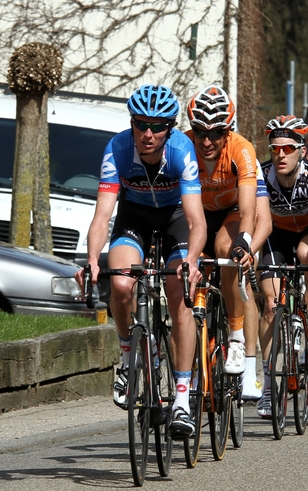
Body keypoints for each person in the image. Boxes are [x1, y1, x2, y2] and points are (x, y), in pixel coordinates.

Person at [74, 84, 206, 437]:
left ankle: (181, 398)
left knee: (178, 290)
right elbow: (102, 217)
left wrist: (191, 260)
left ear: (170, 128)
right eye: (140, 124)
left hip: (175, 217)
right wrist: (91, 261)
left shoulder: (182, 150)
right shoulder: (117, 149)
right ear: (131, 123)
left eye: (157, 126)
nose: (147, 134)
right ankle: (128, 354)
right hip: (134, 217)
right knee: (119, 283)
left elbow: (195, 220)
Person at [186, 85, 271, 399]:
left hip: (229, 215)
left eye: (216, 133)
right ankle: (190, 370)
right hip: (194, 215)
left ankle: (236, 338)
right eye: (199, 132)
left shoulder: (242, 149)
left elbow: (250, 209)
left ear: (228, 131)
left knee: (226, 251)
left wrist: (245, 242)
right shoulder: (182, 145)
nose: (206, 141)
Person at [257, 115, 308, 417]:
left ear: (302, 149)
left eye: (288, 148)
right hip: (275, 236)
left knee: (306, 253)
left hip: (307, 233)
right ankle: (265, 387)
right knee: (271, 304)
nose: (281, 155)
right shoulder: (262, 175)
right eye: (275, 149)